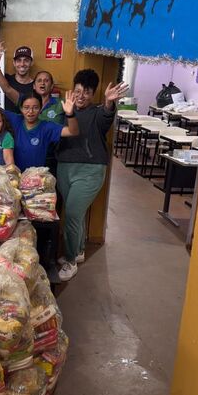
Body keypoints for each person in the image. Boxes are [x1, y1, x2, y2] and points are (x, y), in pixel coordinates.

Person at [55, 70, 129, 282]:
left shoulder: (98, 112)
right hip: (65, 168)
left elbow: (107, 116)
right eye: (78, 90)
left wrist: (108, 103)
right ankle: (78, 251)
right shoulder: (64, 110)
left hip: (90, 170)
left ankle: (70, 261)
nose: (81, 96)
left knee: (72, 214)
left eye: (86, 92)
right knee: (74, 214)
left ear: (93, 94)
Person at [0, 84, 79, 172]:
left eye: (35, 107)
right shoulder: (16, 120)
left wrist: (70, 114)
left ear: (41, 109)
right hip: (15, 177)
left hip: (35, 179)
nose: (30, 111)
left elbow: (72, 131)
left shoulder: (46, 127)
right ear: (21, 109)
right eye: (26, 108)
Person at [0, 41, 35, 113]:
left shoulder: (36, 86)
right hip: (5, 123)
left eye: (26, 60)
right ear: (14, 63)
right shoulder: (5, 79)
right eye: (19, 60)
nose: (22, 64)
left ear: (31, 63)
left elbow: (7, 89)